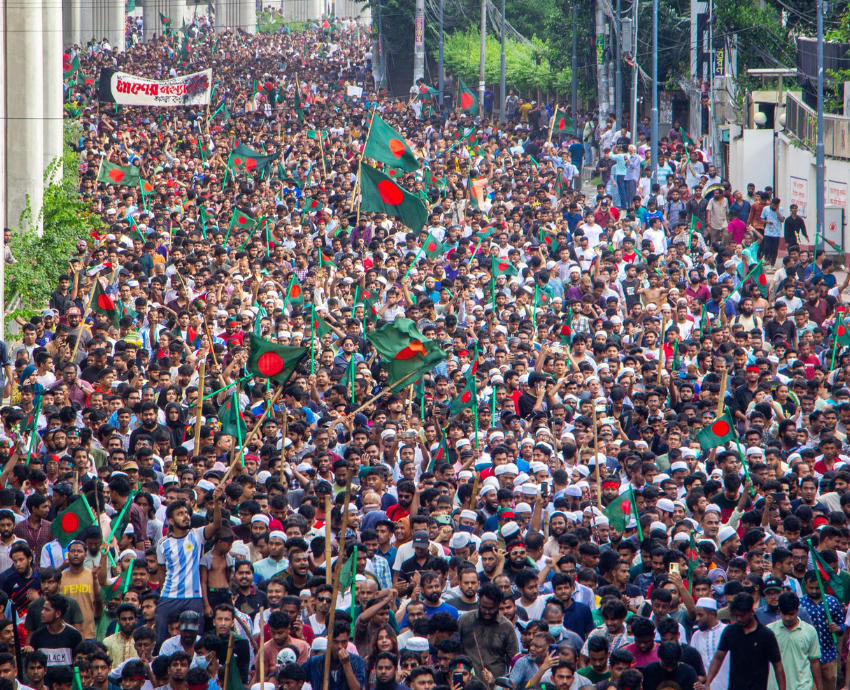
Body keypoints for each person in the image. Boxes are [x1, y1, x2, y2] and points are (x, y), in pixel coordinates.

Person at [704, 593, 786, 690]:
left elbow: (777, 665)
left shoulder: (765, 635)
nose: (738, 619)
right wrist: (708, 682)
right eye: (736, 615)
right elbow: (718, 658)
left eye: (742, 615)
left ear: (751, 611)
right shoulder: (730, 631)